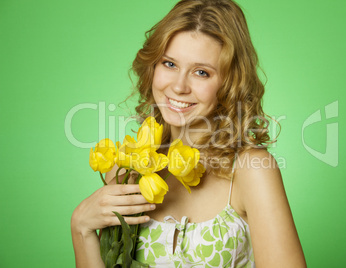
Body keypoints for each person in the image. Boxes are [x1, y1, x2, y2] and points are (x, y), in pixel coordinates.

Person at [71, 0, 307, 267]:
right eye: (169, 64)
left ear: (228, 84)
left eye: (201, 72)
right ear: (152, 69)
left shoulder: (252, 171)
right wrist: (81, 228)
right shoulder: (129, 172)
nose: (179, 86)